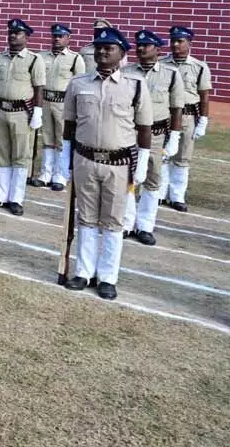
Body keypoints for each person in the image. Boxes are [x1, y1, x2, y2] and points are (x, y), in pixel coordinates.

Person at [62, 27, 152, 301]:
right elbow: (69, 125)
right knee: (86, 218)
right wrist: (66, 159)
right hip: (85, 160)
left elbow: (144, 128)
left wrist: (142, 162)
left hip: (118, 163)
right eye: (99, 48)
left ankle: (108, 277)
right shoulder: (78, 83)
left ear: (121, 53)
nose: (102, 52)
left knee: (113, 222)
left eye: (109, 48)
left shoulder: (135, 85)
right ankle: (84, 272)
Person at [122, 30, 183, 245]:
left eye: (146, 45)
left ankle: (145, 225)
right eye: (138, 45)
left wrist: (174, 136)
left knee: (152, 179)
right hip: (130, 132)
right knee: (127, 177)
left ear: (157, 49)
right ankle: (126, 223)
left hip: (156, 134)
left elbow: (176, 108)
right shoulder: (126, 72)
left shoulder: (171, 74)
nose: (140, 49)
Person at [0, 19, 45, 215]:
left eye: (17, 33)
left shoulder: (34, 60)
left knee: (20, 155)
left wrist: (37, 111)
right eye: (10, 32)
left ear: (26, 37)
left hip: (21, 112)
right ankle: (1, 194)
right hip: (1, 109)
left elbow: (39, 88)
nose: (12, 36)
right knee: (2, 154)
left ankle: (16, 198)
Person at [160, 25, 212, 212]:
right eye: (173, 40)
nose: (175, 44)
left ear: (189, 43)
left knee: (182, 157)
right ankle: (159, 193)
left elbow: (204, 96)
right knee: (162, 155)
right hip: (164, 116)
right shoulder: (161, 64)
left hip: (187, 116)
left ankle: (177, 196)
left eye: (180, 41)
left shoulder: (199, 67)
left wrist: (203, 120)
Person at [31, 24, 85, 190]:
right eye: (55, 35)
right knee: (47, 139)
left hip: (64, 103)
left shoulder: (75, 58)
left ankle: (60, 175)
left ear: (68, 38)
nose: (57, 39)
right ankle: (45, 173)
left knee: (62, 139)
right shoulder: (41, 57)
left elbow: (79, 84)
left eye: (61, 36)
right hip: (45, 101)